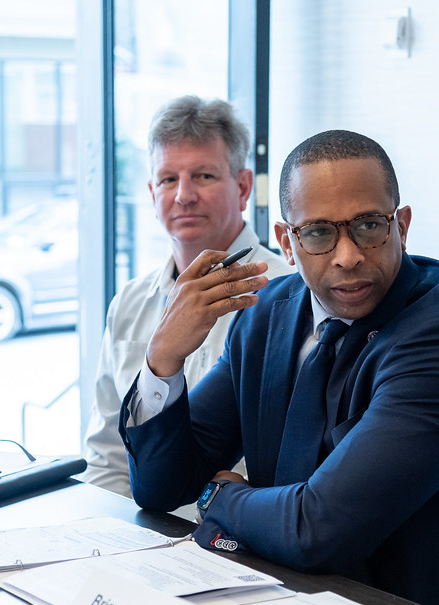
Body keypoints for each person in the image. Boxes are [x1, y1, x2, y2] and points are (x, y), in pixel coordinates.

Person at [119, 129, 439, 605]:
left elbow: (315, 530)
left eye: (368, 225)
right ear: (287, 243)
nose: (347, 255)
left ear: (401, 226)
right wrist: (163, 359)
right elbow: (160, 487)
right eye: (318, 232)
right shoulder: (268, 314)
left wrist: (216, 500)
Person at [81, 96, 293, 496]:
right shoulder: (129, 302)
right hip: (139, 534)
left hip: (242, 536)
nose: (183, 195)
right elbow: (106, 459)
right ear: (151, 191)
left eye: (204, 176)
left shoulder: (289, 294)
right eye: (167, 179)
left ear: (244, 187)